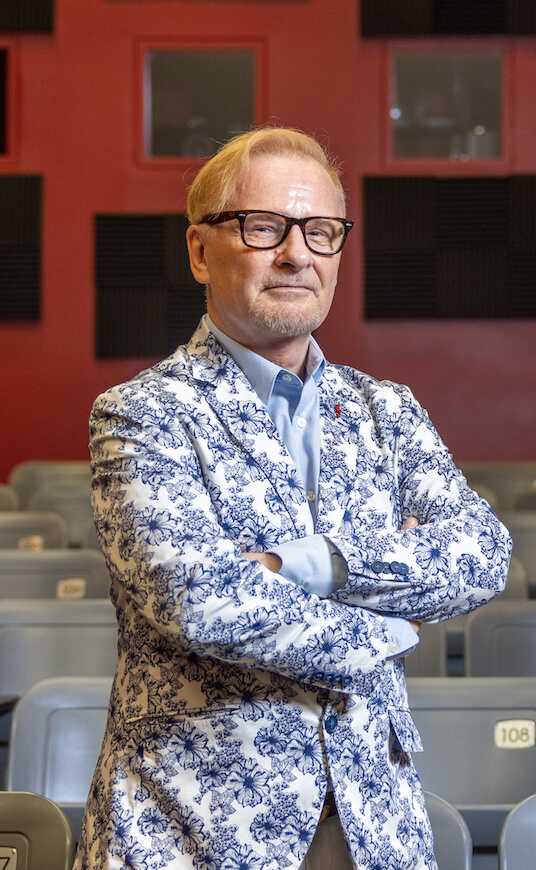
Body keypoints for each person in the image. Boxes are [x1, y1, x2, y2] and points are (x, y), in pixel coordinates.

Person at [74, 127, 511, 870]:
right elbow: (198, 599)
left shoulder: (386, 410)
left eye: (320, 231)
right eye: (263, 226)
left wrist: (303, 565)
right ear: (199, 250)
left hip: (375, 828)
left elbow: (484, 554)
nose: (296, 254)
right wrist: (391, 626)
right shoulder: (142, 413)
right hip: (193, 830)